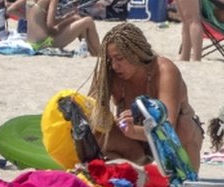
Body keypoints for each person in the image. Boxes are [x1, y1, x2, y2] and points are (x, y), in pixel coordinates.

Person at [87, 23, 204, 171]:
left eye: (119, 58)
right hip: (137, 145)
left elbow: (168, 128)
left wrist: (134, 130)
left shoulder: (164, 71)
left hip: (175, 140)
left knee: (184, 125)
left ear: (136, 53)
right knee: (94, 134)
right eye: (111, 60)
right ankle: (123, 172)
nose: (115, 66)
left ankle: (188, 178)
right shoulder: (112, 74)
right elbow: (90, 109)